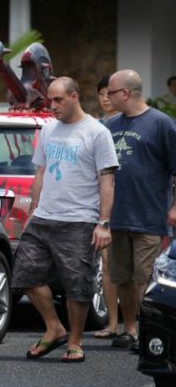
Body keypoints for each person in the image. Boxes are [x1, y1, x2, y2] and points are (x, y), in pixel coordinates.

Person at [12, 77, 118, 363]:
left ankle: (74, 341)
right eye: (50, 100)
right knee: (25, 274)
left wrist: (103, 222)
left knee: (78, 285)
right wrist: (33, 209)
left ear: (74, 96)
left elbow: (106, 179)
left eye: (58, 100)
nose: (52, 106)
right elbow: (40, 173)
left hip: (80, 220)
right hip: (44, 216)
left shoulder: (96, 132)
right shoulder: (48, 130)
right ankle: (54, 327)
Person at [105, 69, 176, 352]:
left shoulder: (161, 124)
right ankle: (130, 330)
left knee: (143, 277)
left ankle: (148, 329)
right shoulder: (110, 125)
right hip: (117, 214)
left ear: (125, 93)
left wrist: (174, 206)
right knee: (121, 276)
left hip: (148, 214)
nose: (107, 97)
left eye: (111, 92)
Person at [93, 75, 120, 339]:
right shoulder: (95, 128)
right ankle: (113, 322)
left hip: (136, 205)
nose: (105, 98)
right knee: (107, 265)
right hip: (104, 207)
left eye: (109, 93)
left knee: (139, 269)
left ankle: (137, 322)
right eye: (101, 93)